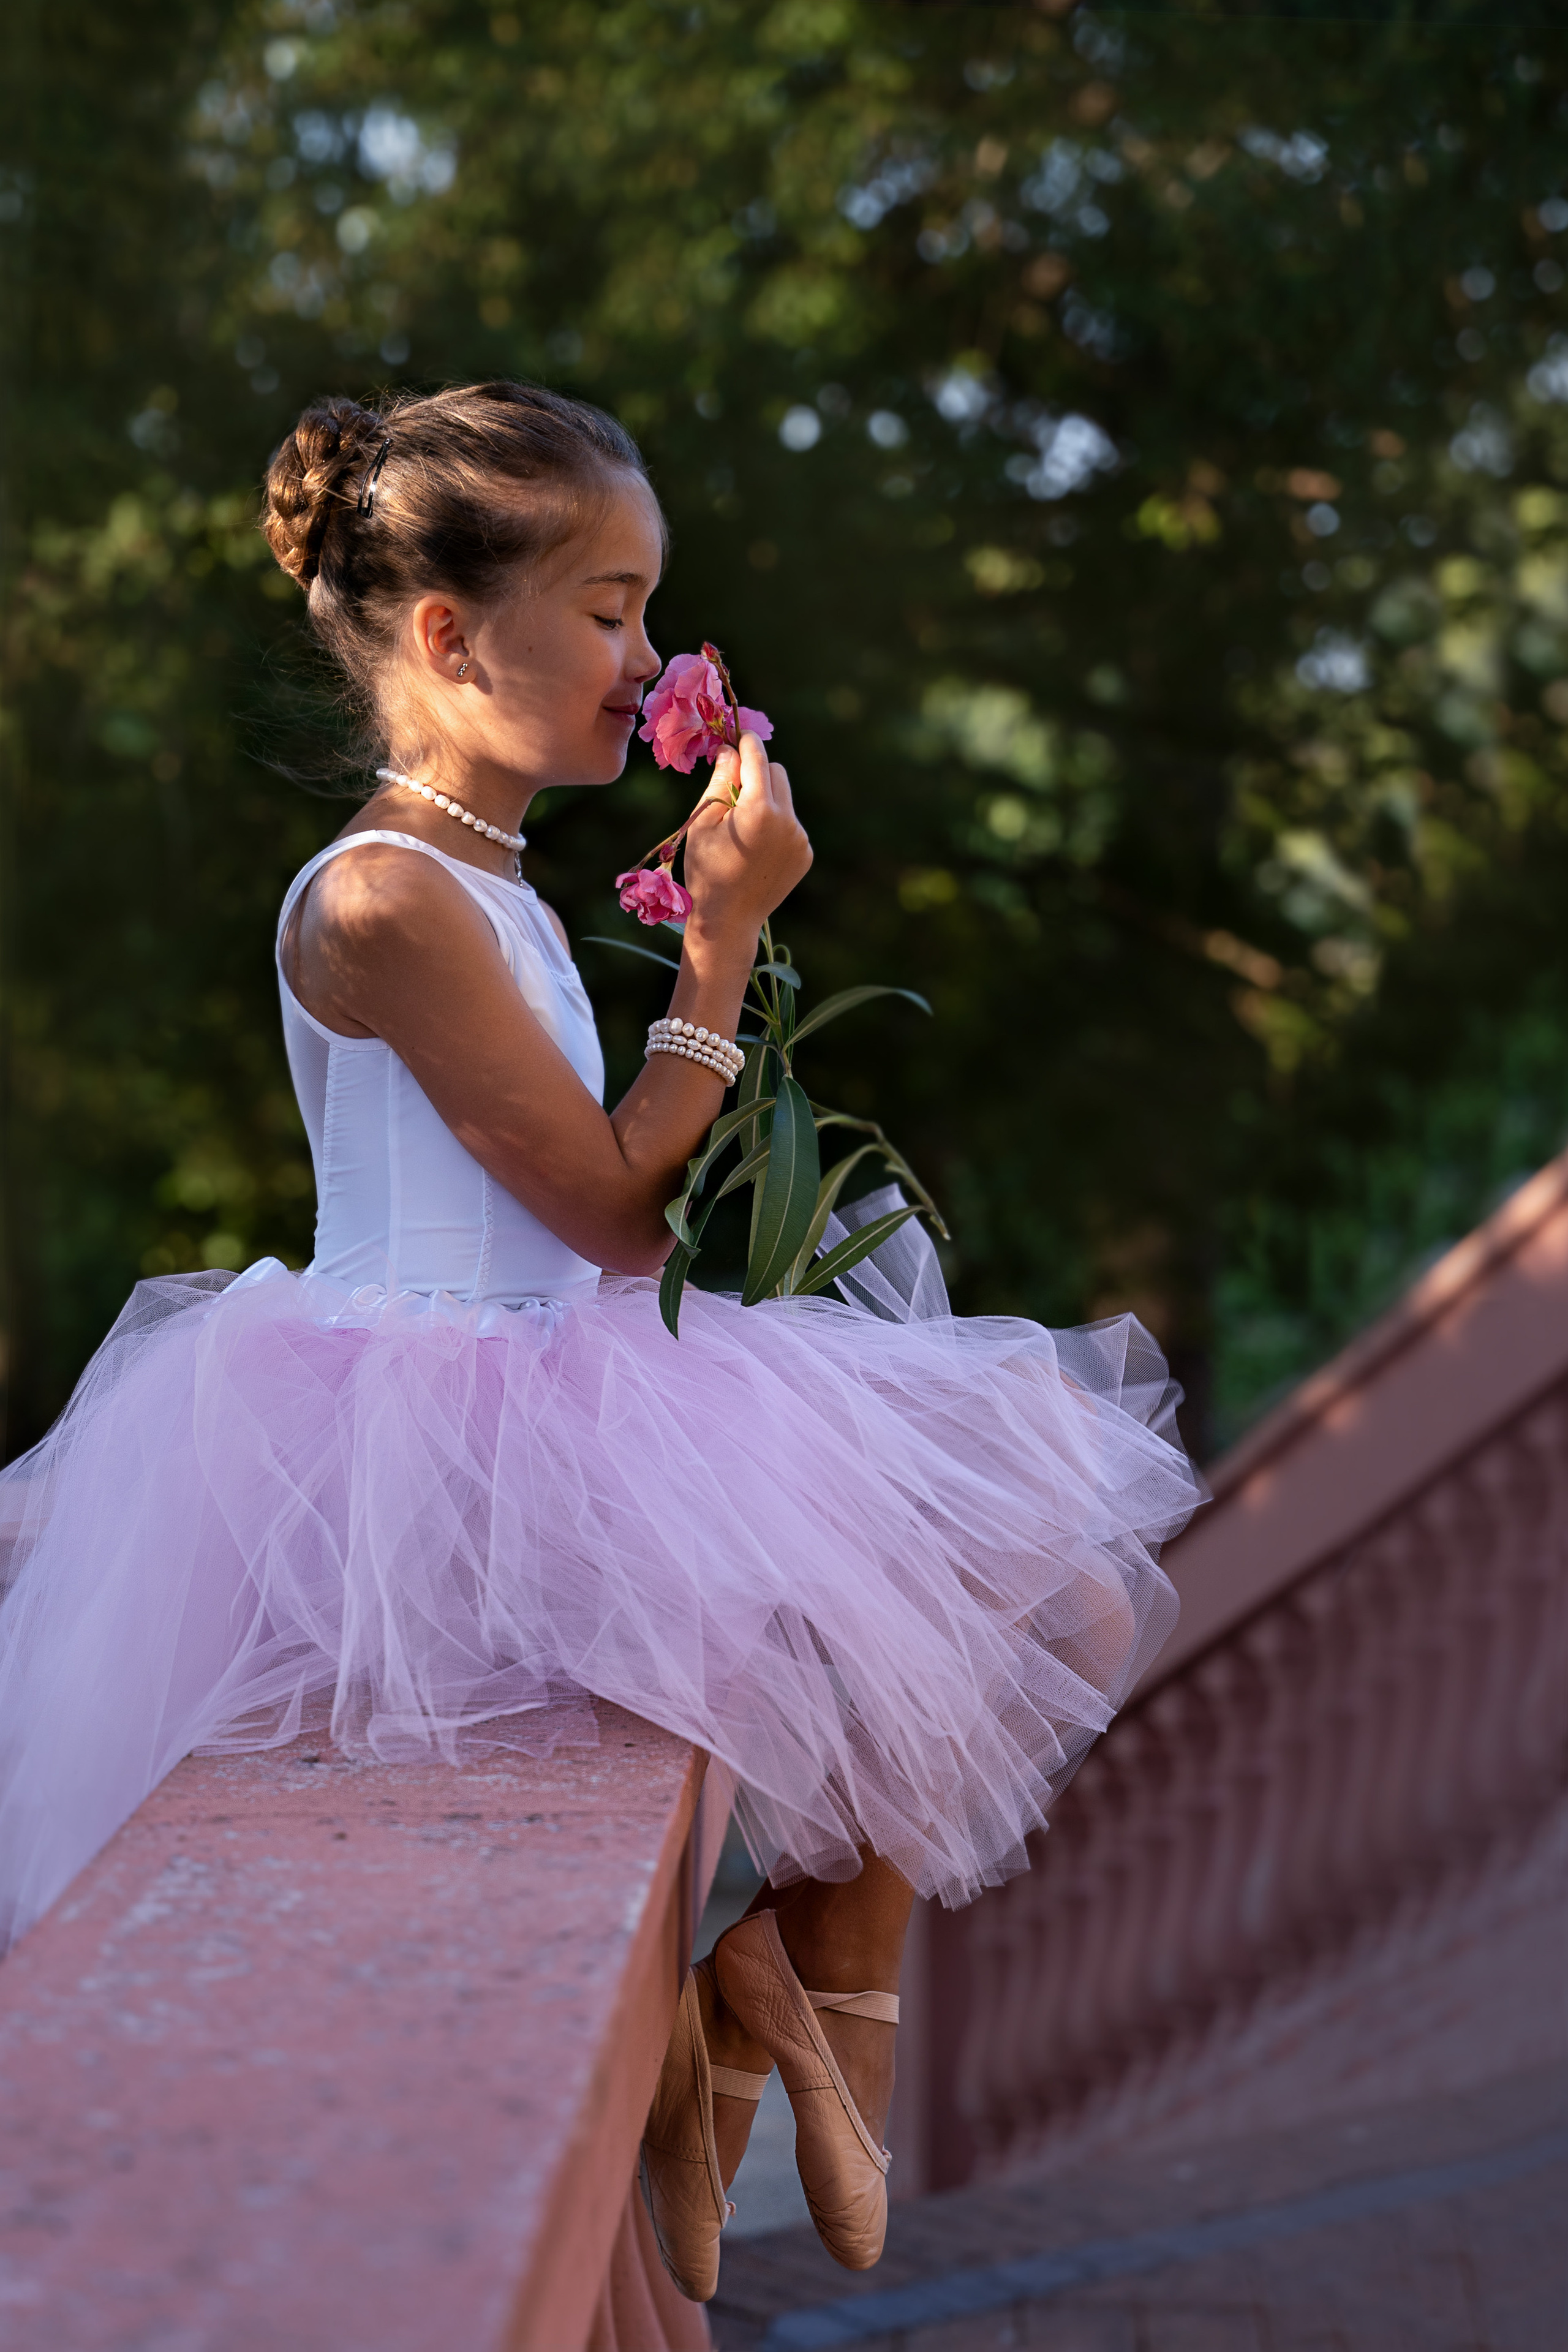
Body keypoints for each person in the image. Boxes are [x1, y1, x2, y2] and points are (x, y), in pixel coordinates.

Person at [0, 380, 1199, 2302]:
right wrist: (721, 952)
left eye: (650, 614)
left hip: (576, 1368)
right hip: (425, 1420)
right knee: (864, 1596)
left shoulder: (496, 883)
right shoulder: (387, 898)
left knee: (972, 1578)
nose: (648, 664)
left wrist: (717, 973)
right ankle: (777, 2036)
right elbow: (610, 1207)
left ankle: (794, 2029)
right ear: (453, 637)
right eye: (615, 608)